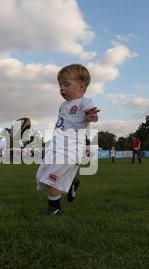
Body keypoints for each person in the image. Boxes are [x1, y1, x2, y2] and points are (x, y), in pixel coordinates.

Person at [36, 64, 100, 215]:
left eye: (66, 84)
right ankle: (71, 182)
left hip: (71, 149)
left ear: (81, 85)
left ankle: (54, 207)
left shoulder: (85, 102)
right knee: (40, 176)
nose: (62, 88)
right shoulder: (63, 105)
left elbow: (92, 114)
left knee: (49, 178)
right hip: (56, 147)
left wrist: (91, 116)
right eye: (60, 85)